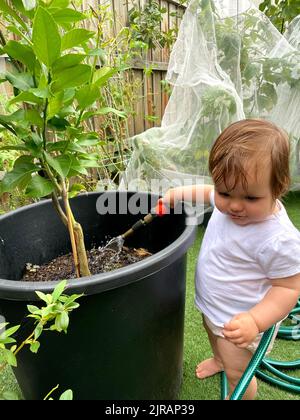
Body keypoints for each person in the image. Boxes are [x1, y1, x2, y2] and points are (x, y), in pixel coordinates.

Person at [160, 119, 300, 399]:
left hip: (242, 322)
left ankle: (236, 384)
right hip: (214, 305)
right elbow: (208, 194)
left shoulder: (278, 239)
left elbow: (288, 288)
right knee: (212, 335)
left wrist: (255, 321)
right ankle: (220, 360)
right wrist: (176, 195)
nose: (234, 206)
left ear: (279, 187)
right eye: (225, 193)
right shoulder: (231, 197)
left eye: (250, 197)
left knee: (239, 373)